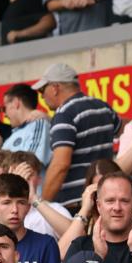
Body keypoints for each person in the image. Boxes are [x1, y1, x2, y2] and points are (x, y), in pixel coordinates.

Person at [36, 62, 123, 208]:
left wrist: (42, 205)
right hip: (105, 197)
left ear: (55, 88)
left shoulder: (64, 114)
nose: (42, 96)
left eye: (42, 90)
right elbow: (125, 129)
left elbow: (60, 165)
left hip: (76, 204)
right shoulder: (102, 107)